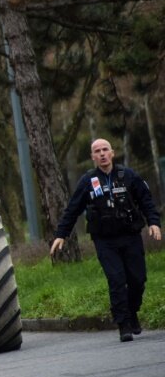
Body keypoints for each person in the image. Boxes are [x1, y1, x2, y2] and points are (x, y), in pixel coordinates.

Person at [50, 138, 161, 342]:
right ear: (92, 156)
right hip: (105, 241)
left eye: (105, 150)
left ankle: (132, 312)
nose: (101, 154)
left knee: (138, 279)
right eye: (97, 151)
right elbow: (72, 210)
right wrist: (61, 235)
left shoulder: (128, 176)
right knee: (116, 280)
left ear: (112, 153)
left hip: (130, 236)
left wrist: (154, 223)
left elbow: (146, 200)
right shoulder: (88, 181)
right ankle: (124, 324)